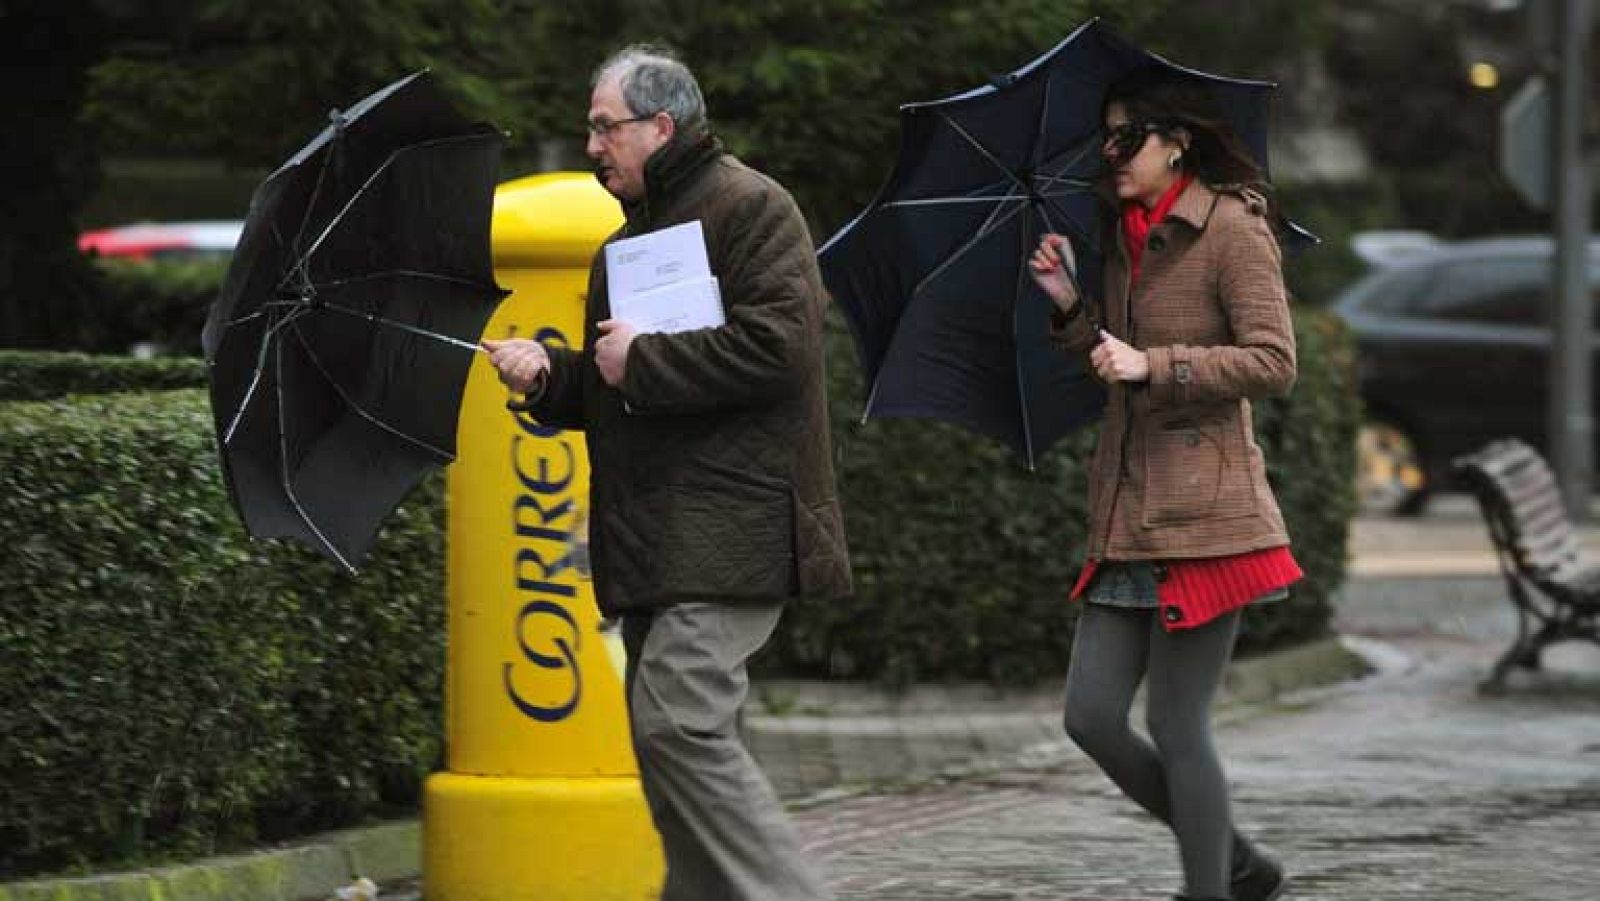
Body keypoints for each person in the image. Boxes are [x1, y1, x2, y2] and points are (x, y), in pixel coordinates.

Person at [482, 44, 851, 901]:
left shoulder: (753, 206)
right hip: (656, 536)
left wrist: (643, 358)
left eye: (604, 127)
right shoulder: (624, 243)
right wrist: (551, 375)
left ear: (660, 125)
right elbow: (619, 387)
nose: (592, 145)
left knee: (679, 728)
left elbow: (782, 349)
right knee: (669, 751)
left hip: (734, 525)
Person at [1029, 68, 1298, 901]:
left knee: (1177, 724)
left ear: (1176, 142)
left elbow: (1273, 362)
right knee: (1090, 717)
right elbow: (1114, 361)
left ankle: (1209, 886)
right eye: (1104, 138)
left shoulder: (1232, 229)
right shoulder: (1122, 236)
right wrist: (1070, 305)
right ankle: (1237, 862)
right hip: (1128, 510)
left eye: (1127, 137)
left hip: (1209, 517)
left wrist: (1157, 364)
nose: (1110, 154)